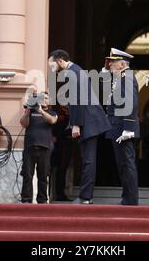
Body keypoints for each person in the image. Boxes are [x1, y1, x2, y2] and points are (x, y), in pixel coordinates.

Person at [48, 49, 111, 204]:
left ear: (60, 60)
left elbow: (79, 99)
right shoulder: (76, 71)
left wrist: (76, 124)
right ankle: (85, 196)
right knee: (88, 159)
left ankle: (85, 197)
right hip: (89, 121)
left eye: (52, 64)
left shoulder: (73, 72)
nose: (51, 68)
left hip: (88, 122)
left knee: (88, 160)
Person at [104, 48, 140, 206]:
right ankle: (127, 198)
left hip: (123, 128)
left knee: (127, 163)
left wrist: (128, 128)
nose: (110, 64)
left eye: (113, 62)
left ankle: (130, 200)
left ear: (122, 64)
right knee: (122, 165)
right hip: (117, 127)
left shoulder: (127, 78)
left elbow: (130, 104)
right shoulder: (120, 78)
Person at [20, 91, 58, 204]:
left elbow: (52, 121)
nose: (44, 100)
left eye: (46, 98)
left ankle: (42, 200)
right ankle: (26, 200)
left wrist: (41, 111)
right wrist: (27, 112)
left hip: (45, 148)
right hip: (29, 147)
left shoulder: (52, 112)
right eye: (42, 98)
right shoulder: (30, 111)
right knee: (27, 175)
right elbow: (23, 124)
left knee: (43, 175)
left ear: (49, 100)